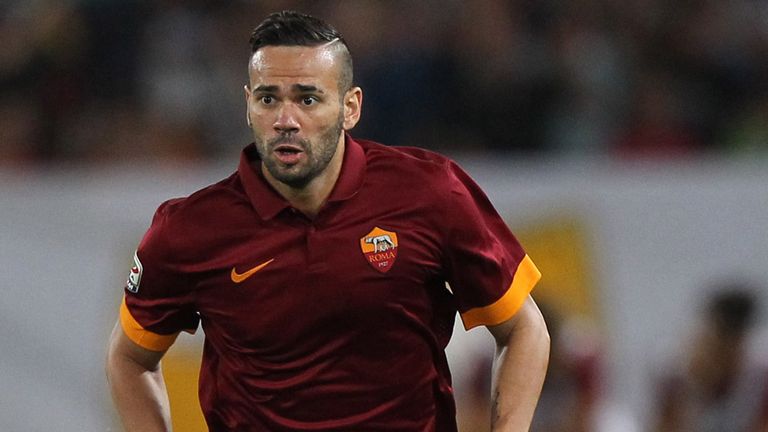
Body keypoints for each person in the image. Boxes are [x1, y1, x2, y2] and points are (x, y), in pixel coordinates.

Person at [105, 10, 549, 432]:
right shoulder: (190, 230)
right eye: (268, 99)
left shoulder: (431, 193)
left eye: (308, 98)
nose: (285, 120)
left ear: (350, 107)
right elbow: (129, 358)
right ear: (247, 105)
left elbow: (523, 327)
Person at [651, 285, 768, 432]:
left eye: (733, 344)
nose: (724, 354)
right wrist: (696, 389)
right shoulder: (676, 372)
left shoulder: (759, 378)